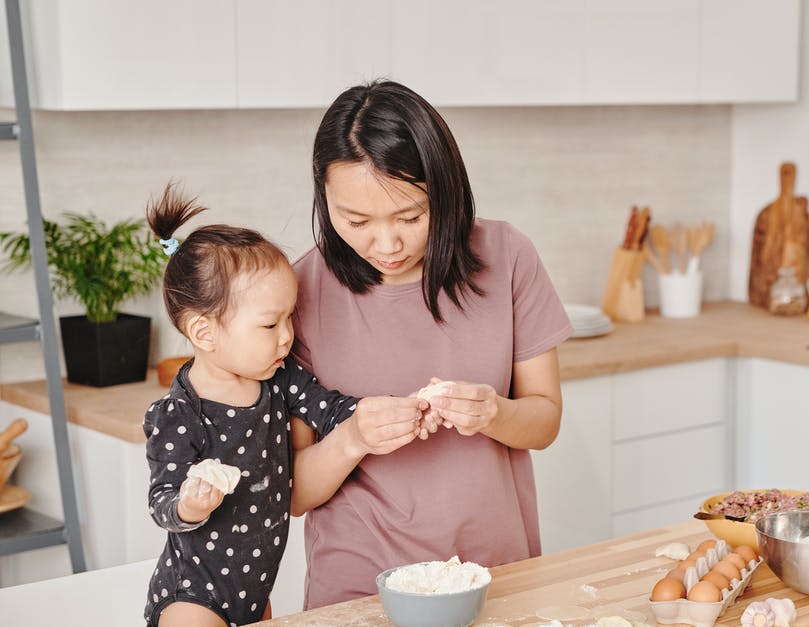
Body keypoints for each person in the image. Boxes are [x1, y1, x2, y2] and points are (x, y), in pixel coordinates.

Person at [288, 80, 572, 608]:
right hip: (357, 589)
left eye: (411, 216)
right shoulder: (299, 290)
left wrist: (493, 412)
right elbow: (296, 492)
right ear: (324, 199)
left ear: (445, 189)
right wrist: (353, 437)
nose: (387, 243)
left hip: (495, 573)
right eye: (355, 220)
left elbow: (545, 421)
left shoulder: (507, 255)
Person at [142, 184, 423, 626]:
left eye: (289, 316)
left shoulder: (280, 379)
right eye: (270, 323)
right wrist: (191, 505)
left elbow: (331, 409)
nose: (287, 335)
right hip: (193, 593)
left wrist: (386, 411)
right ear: (204, 333)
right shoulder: (178, 415)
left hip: (256, 591)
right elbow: (162, 501)